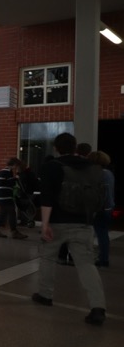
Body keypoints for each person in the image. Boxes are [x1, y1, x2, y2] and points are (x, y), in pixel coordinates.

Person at [33, 132, 106, 326]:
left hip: (57, 223)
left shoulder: (52, 167)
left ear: (56, 148)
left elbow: (47, 198)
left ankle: (45, 295)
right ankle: (98, 307)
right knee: (86, 264)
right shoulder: (91, 167)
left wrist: (45, 224)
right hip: (84, 223)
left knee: (48, 258)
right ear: (75, 147)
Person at [0, 158, 27, 239]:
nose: (17, 168)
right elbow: (10, 183)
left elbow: (4, 182)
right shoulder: (7, 171)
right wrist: (16, 178)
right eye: (17, 166)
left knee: (3, 213)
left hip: (1, 195)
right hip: (5, 196)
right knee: (12, 212)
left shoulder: (3, 171)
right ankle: (14, 232)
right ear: (14, 165)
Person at [91, 151, 114, 268]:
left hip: (101, 208)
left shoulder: (98, 174)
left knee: (101, 234)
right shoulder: (109, 173)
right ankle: (103, 257)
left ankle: (103, 259)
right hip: (108, 207)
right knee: (103, 233)